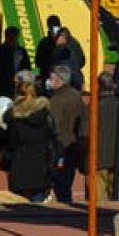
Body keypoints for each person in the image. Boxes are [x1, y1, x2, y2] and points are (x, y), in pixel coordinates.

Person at [2, 78, 55, 202]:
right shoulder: (45, 117)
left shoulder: (15, 121)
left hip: (19, 168)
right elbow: (51, 141)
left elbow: (10, 145)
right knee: (39, 207)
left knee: (17, 208)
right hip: (40, 167)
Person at [80, 70, 119, 201]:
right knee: (117, 198)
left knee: (97, 201)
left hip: (97, 159)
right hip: (118, 158)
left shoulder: (92, 108)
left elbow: (84, 134)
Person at [45, 65, 83, 203]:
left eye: (51, 78)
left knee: (60, 184)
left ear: (59, 81)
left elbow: (51, 124)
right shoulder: (76, 95)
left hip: (60, 147)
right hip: (73, 145)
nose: (49, 81)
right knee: (66, 182)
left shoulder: (56, 100)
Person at [0, 27, 31, 98]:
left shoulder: (21, 51)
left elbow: (27, 67)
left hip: (19, 85)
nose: (12, 38)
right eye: (10, 36)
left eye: (14, 36)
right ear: (6, 36)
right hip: (4, 85)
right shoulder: (0, 50)